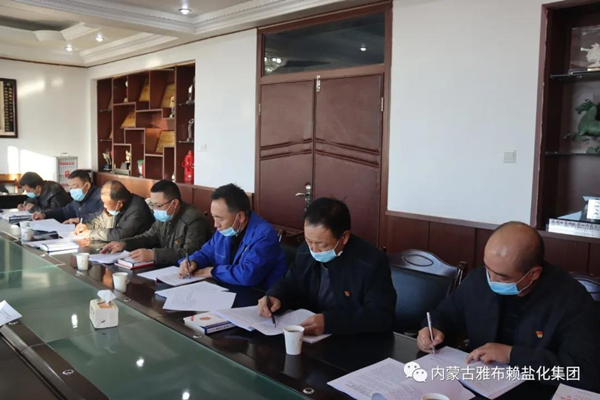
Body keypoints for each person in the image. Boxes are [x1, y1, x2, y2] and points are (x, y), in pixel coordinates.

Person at [417, 221, 600, 391]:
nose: (490, 279)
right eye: (487, 268)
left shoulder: (571, 300)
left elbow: (584, 373)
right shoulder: (479, 280)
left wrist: (513, 355)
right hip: (477, 384)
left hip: (536, 390)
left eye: (502, 277)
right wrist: (433, 329)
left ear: (533, 274)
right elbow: (445, 315)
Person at [257, 198, 397, 336]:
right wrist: (275, 295)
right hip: (308, 335)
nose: (314, 249)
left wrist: (329, 322)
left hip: (351, 340)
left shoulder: (371, 262)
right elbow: (290, 282)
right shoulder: (306, 250)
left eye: (322, 245)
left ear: (344, 237)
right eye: (308, 241)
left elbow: (381, 315)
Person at [178, 183, 286, 289]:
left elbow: (248, 275)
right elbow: (206, 253)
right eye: (213, 217)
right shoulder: (226, 230)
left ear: (240, 217)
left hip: (258, 294)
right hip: (227, 288)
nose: (216, 225)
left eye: (220, 219)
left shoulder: (264, 235)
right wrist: (193, 262)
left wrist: (212, 272)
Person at [100, 180, 211, 266]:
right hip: (166, 268)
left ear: (174, 203)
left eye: (158, 205)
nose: (155, 209)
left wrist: (154, 255)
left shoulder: (194, 220)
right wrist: (124, 244)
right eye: (152, 205)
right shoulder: (164, 214)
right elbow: (149, 236)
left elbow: (190, 253)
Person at [74, 180, 153, 242]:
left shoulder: (137, 209)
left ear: (119, 204)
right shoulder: (115, 205)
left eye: (106, 203)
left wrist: (90, 233)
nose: (104, 206)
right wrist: (87, 226)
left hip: (138, 250)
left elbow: (120, 234)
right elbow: (101, 221)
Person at [31, 170, 103, 224]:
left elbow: (103, 217)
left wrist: (80, 220)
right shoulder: (78, 199)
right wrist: (45, 215)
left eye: (74, 187)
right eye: (70, 188)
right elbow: (64, 211)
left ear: (87, 185)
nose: (72, 191)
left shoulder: (101, 197)